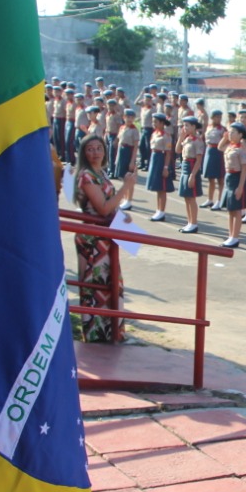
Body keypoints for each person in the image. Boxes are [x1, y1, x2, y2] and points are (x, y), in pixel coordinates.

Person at [73, 133, 133, 342]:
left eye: (98, 148)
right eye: (90, 149)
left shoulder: (102, 173)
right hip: (93, 237)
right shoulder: (86, 176)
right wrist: (126, 187)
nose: (95, 153)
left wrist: (121, 216)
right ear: (83, 152)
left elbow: (110, 206)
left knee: (110, 281)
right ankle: (95, 333)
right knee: (95, 283)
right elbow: (102, 207)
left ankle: (112, 330)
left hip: (106, 235)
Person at [218, 122, 246, 247]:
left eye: (232, 132)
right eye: (229, 132)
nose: (230, 134)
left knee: (236, 210)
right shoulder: (230, 146)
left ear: (240, 134)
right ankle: (230, 235)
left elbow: (245, 169)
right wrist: (225, 138)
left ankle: (235, 237)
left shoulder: (242, 150)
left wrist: (240, 187)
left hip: (237, 178)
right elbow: (220, 147)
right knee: (230, 210)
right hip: (229, 177)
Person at [145, 112, 175, 221]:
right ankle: (158, 210)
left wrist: (166, 167)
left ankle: (162, 211)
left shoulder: (166, 136)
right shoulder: (154, 133)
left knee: (162, 188)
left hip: (161, 160)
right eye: (153, 121)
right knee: (157, 187)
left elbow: (168, 152)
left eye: (156, 122)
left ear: (162, 123)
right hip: (155, 158)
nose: (153, 123)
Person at [176, 115, 203, 233]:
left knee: (191, 198)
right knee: (186, 197)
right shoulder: (186, 139)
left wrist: (193, 175)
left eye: (187, 125)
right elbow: (177, 150)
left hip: (192, 168)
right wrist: (180, 138)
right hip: (185, 167)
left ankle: (194, 223)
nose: (184, 127)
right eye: (184, 125)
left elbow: (199, 160)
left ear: (193, 126)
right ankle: (189, 221)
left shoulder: (198, 141)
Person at [201, 110, 226, 209]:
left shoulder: (223, 129)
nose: (218, 119)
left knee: (220, 178)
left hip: (218, 152)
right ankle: (209, 199)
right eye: (216, 117)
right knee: (210, 178)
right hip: (209, 151)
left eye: (220, 117)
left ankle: (219, 200)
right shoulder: (209, 127)